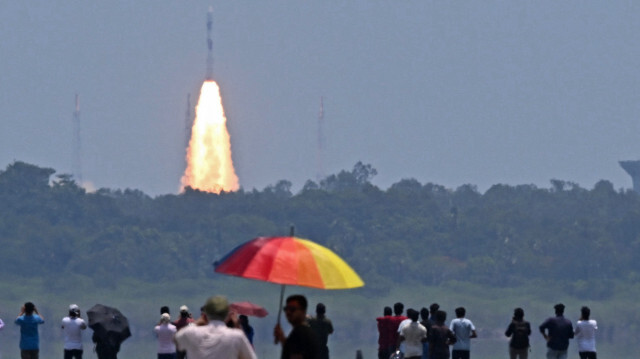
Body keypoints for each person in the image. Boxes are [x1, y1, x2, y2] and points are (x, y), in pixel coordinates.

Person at [175, 295, 256, 359]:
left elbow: (177, 341)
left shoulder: (191, 333)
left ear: (206, 314)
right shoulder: (236, 336)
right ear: (225, 314)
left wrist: (198, 322)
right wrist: (237, 325)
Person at [274, 294, 319, 359]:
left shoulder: (300, 333)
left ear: (303, 311)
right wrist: (282, 338)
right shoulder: (303, 332)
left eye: (292, 309)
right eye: (286, 309)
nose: (288, 312)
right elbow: (292, 350)